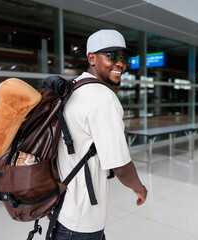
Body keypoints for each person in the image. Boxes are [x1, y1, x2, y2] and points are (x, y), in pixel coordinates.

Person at [52, 29, 148, 240]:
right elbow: (120, 166)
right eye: (112, 56)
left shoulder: (73, 88)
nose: (121, 64)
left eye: (124, 58)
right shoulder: (103, 98)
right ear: (92, 58)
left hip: (62, 210)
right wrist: (139, 188)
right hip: (82, 221)